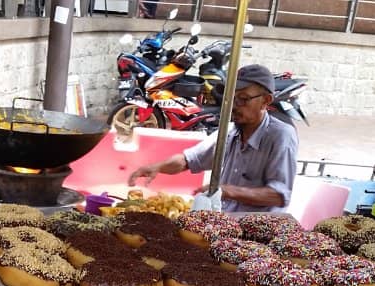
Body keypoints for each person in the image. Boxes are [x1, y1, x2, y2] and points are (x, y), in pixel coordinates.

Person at [127, 64, 298, 213]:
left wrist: (225, 190)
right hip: (223, 220)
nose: (234, 106)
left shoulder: (281, 136)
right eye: (231, 98)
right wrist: (157, 167)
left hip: (257, 229)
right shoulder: (229, 132)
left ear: (265, 101)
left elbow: (279, 195)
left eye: (243, 99)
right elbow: (188, 160)